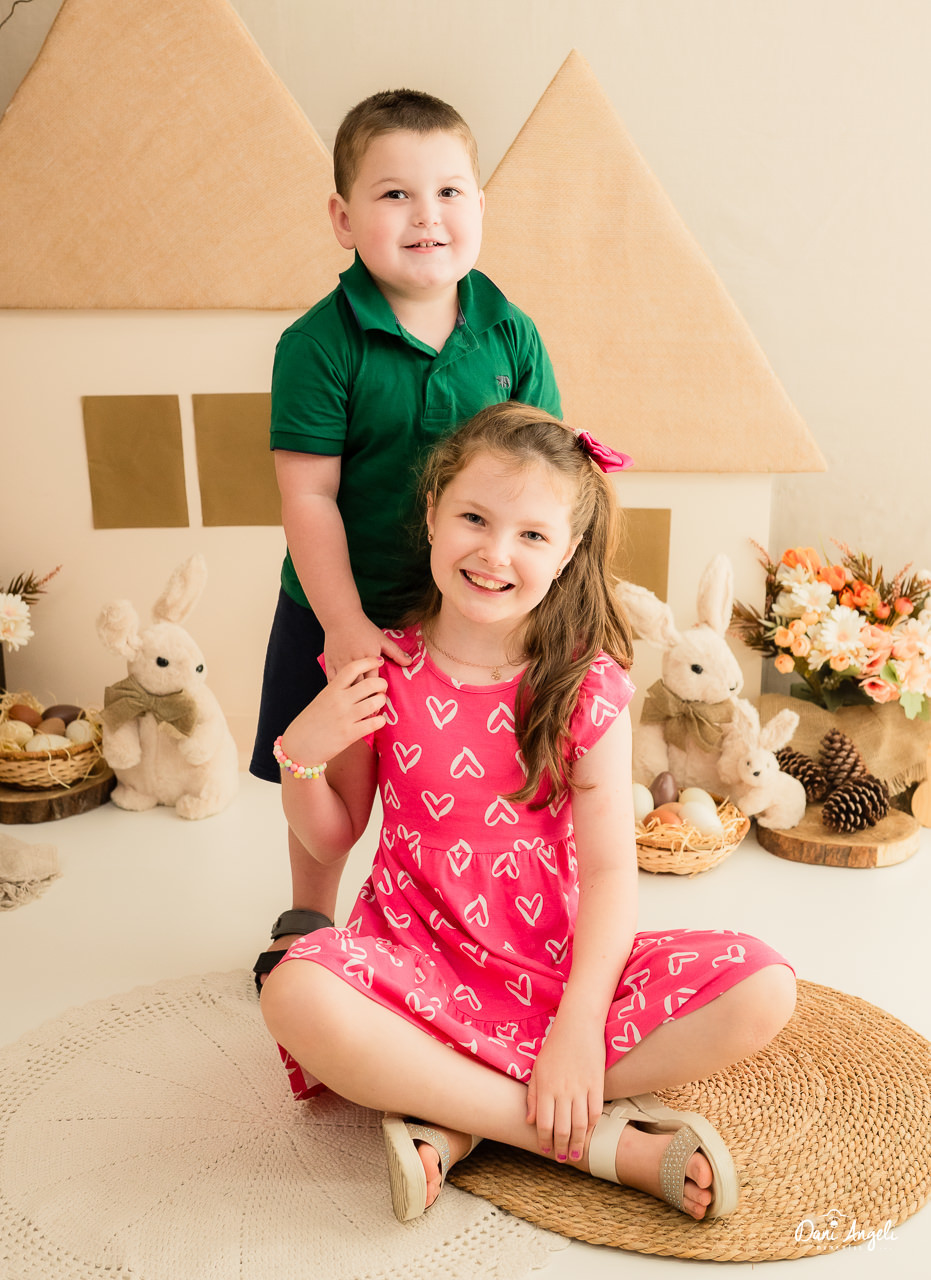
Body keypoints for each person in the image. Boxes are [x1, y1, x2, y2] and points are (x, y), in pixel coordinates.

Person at [260, 402, 797, 1224]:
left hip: (559, 973)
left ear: (567, 551)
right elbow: (333, 834)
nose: (494, 552)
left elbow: (611, 873)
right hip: (415, 967)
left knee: (763, 987)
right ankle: (591, 1142)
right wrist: (299, 753)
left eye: (532, 534)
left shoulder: (586, 686)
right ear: (432, 511)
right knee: (294, 989)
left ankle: (458, 1114)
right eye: (473, 518)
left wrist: (577, 1029)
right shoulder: (383, 666)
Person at [250, 89, 561, 990]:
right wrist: (343, 622)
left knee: (463, 785)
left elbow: (548, 478)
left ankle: (461, 929)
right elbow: (308, 494)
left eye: (449, 192)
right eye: (395, 195)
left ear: (479, 207)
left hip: (472, 613)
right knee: (332, 778)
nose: (427, 215)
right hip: (347, 604)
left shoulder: (509, 334)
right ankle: (310, 914)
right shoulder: (321, 343)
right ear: (344, 219)